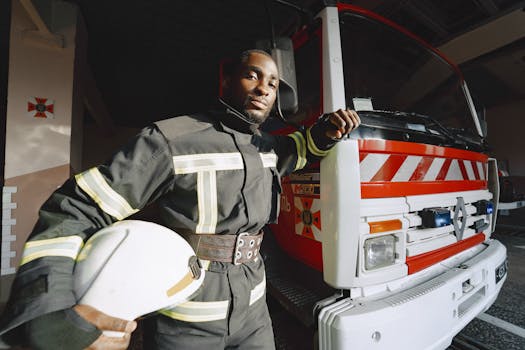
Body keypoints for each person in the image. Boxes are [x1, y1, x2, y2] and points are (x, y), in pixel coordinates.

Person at [0, 49, 360, 349]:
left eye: (272, 83)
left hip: (255, 317)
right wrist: (49, 312)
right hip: (185, 323)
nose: (264, 88)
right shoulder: (171, 139)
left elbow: (301, 151)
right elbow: (75, 208)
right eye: (253, 75)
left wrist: (326, 132)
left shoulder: (267, 147)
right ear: (226, 80)